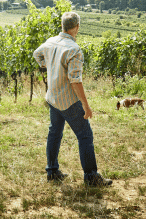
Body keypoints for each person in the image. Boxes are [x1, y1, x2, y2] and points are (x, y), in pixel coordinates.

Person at [33, 11, 112, 186]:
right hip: (68, 101)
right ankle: (91, 177)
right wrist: (86, 106)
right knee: (85, 136)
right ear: (76, 28)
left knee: (54, 133)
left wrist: (50, 67)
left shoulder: (50, 41)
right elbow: (75, 81)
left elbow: (37, 54)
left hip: (53, 98)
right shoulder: (74, 50)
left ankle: (52, 171)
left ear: (63, 26)